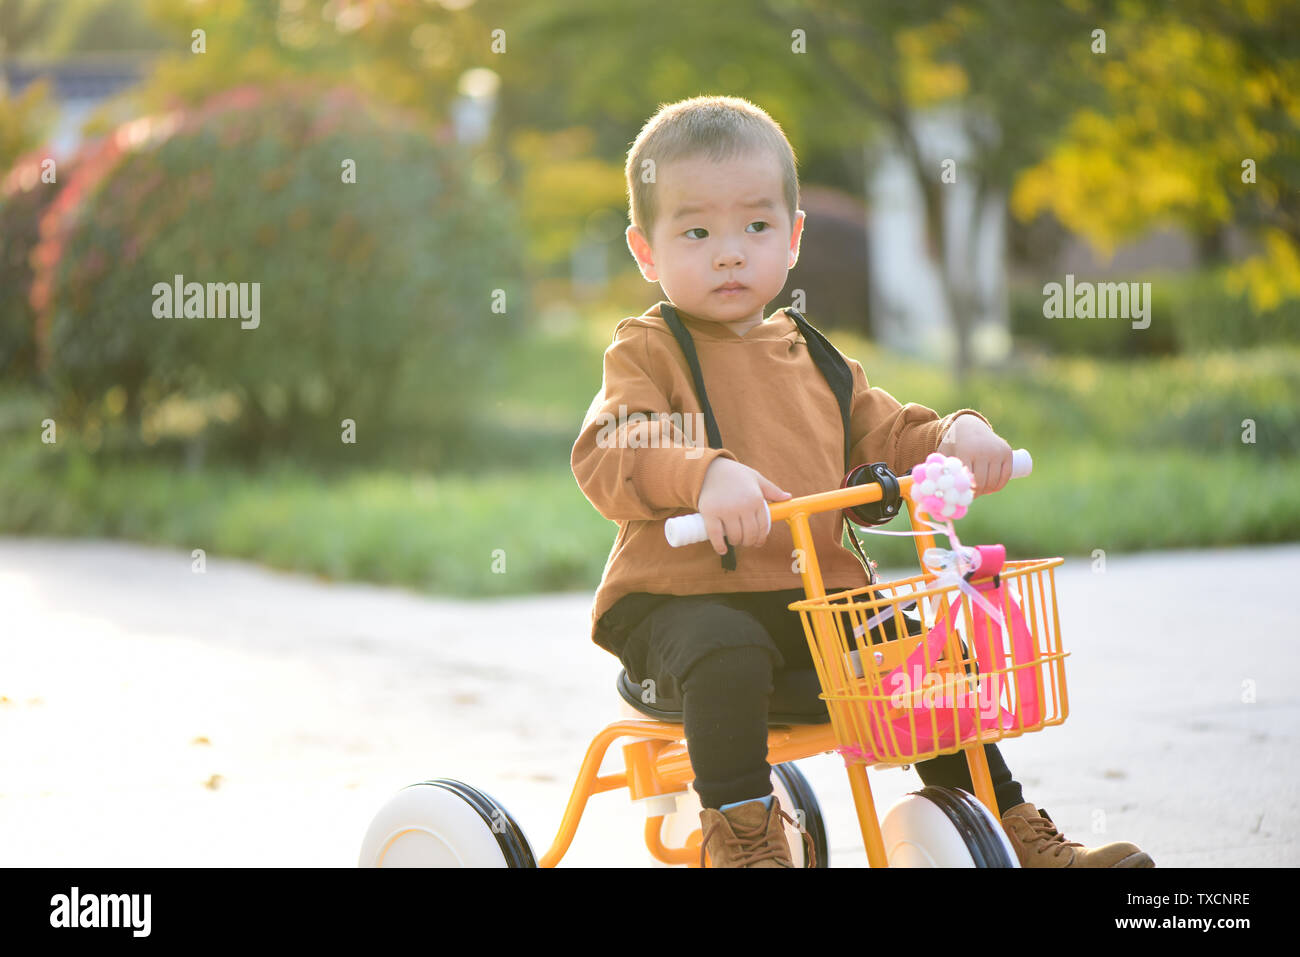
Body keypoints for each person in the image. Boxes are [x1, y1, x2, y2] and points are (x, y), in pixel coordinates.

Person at [571, 94, 1153, 869]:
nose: (730, 253)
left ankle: (1005, 820)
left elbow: (890, 431)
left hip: (815, 604)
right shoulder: (648, 351)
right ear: (647, 251)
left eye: (755, 226)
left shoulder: (815, 357)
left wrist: (957, 435)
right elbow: (614, 445)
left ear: (794, 236)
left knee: (925, 654)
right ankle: (744, 839)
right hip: (681, 601)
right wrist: (704, 474)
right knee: (725, 646)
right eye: (696, 231)